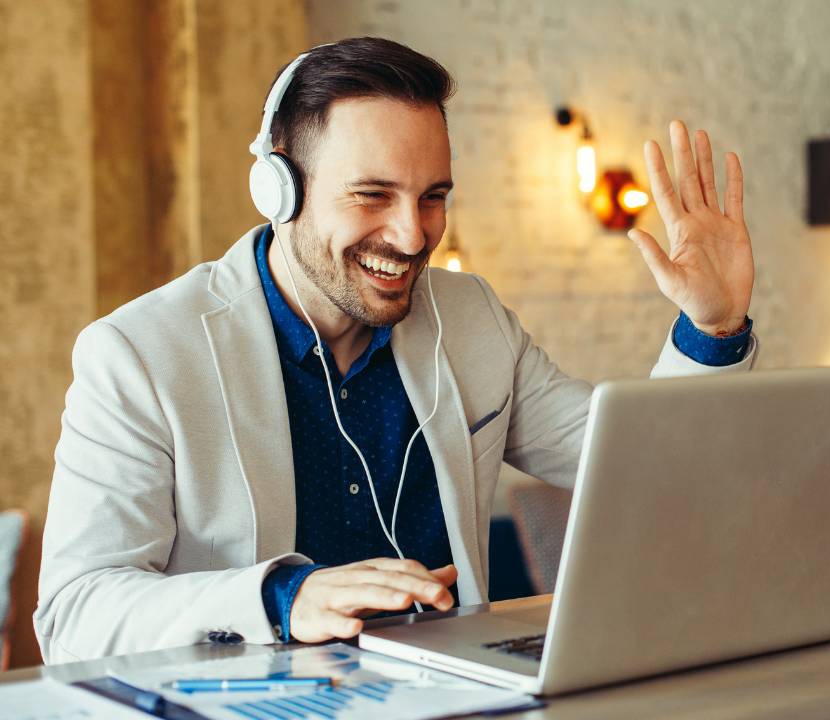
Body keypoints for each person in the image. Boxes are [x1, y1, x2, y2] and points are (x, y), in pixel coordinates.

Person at [35, 37, 758, 663]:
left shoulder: (473, 318)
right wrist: (283, 598)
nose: (413, 236)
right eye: (373, 195)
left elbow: (640, 465)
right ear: (279, 188)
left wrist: (713, 324)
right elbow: (75, 613)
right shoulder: (136, 355)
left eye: (433, 195)